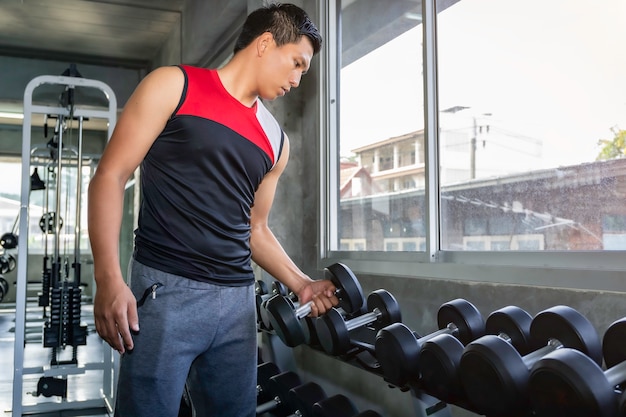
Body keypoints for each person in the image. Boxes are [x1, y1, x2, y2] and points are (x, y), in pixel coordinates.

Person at [87, 4, 338, 416]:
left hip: (237, 303)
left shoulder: (276, 140)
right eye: (296, 63)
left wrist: (301, 283)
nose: (297, 79)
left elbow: (255, 229)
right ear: (265, 44)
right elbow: (110, 177)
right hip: (166, 289)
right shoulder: (173, 86)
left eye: (302, 72)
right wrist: (108, 278)